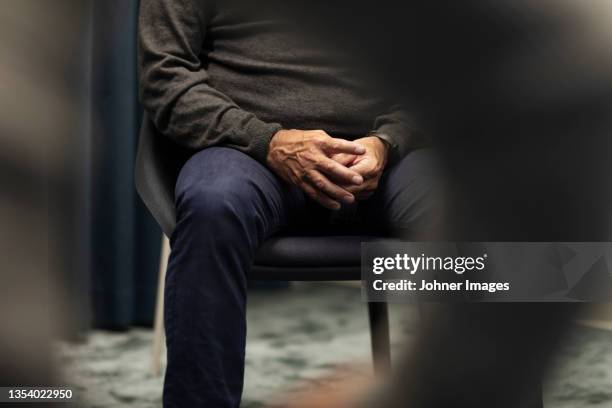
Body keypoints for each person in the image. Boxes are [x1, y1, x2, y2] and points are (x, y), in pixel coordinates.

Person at [138, 1, 438, 406]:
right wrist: (269, 142)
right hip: (249, 154)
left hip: (384, 160)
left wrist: (388, 141)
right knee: (213, 207)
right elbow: (164, 78)